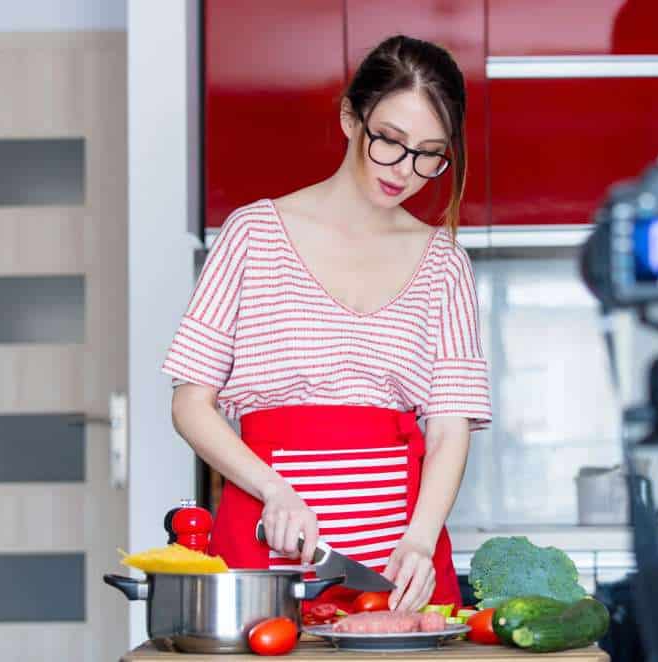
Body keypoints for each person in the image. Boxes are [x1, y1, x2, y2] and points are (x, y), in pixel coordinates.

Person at [162, 34, 491, 614]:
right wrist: (273, 489)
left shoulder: (445, 262)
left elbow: (447, 429)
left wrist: (418, 539)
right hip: (270, 550)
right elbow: (190, 403)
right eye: (390, 141)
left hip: (398, 565)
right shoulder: (254, 234)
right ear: (349, 117)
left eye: (429, 154)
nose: (405, 170)